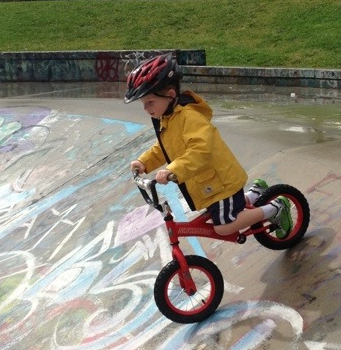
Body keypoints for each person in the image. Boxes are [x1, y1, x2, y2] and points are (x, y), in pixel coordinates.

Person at [125, 53, 293, 237]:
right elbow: (164, 148)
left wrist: (172, 169)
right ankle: (255, 194)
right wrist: (144, 162)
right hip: (209, 184)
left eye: (150, 102)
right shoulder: (168, 118)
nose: (146, 109)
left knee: (224, 226)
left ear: (170, 95)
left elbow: (201, 151)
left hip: (220, 182)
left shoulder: (189, 117)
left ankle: (275, 209)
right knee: (222, 212)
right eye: (143, 103)